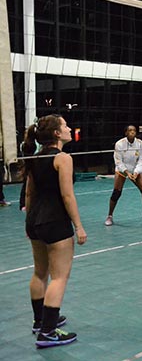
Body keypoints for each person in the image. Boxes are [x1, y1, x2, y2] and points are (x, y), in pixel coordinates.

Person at [23, 114, 87, 348]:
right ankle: (48, 332)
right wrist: (78, 226)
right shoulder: (63, 158)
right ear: (57, 134)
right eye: (65, 126)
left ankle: (40, 321)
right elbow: (67, 195)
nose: (70, 128)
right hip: (55, 222)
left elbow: (29, 194)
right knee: (59, 277)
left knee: (40, 273)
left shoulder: (34, 157)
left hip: (35, 221)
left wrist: (29, 222)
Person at [104, 125, 142, 226]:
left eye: (134, 130)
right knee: (116, 193)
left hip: (135, 169)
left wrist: (136, 172)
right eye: (130, 130)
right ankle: (110, 216)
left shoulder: (141, 144)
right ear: (126, 133)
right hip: (122, 170)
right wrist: (126, 172)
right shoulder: (119, 144)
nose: (132, 132)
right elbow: (118, 161)